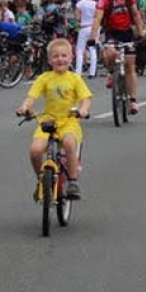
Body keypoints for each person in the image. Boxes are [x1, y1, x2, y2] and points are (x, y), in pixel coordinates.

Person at [16, 38, 91, 201]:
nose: (60, 59)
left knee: (70, 143)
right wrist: (25, 107)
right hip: (48, 121)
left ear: (71, 58)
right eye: (55, 56)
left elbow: (85, 98)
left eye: (64, 56)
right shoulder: (44, 78)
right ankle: (41, 180)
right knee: (35, 150)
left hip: (69, 121)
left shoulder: (75, 79)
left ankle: (72, 181)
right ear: (49, 60)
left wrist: (83, 110)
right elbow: (32, 96)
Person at [88, 0, 145, 114]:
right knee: (110, 54)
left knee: (130, 65)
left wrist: (141, 31)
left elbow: (136, 14)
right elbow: (97, 19)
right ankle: (111, 71)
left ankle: (132, 100)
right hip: (111, 32)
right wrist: (92, 37)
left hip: (126, 33)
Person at [74, 0, 99, 78]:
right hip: (93, 27)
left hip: (83, 27)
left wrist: (80, 20)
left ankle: (78, 72)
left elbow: (77, 17)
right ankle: (92, 72)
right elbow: (98, 16)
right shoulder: (96, 4)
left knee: (80, 50)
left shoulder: (80, 3)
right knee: (92, 49)